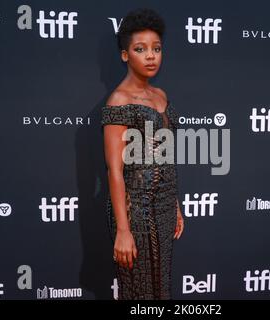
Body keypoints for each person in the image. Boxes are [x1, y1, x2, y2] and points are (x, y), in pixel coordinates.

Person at [101, 8, 184, 300]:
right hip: (134, 212)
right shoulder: (118, 101)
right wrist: (123, 230)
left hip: (163, 207)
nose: (151, 56)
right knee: (137, 290)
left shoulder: (161, 95)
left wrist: (174, 204)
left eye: (156, 49)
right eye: (140, 49)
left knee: (161, 286)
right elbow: (114, 170)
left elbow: (166, 155)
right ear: (125, 55)